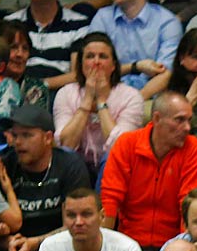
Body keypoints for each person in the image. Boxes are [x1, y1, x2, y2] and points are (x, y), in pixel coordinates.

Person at [100, 91, 197, 251]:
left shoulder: (193, 148)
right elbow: (110, 200)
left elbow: (188, 206)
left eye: (189, 120)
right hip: (127, 244)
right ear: (157, 119)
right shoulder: (126, 144)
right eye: (179, 120)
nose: (187, 127)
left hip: (172, 245)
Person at [0, 102, 90, 251]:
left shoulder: (70, 167)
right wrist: (7, 241)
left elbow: (76, 225)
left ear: (47, 138)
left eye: (27, 135)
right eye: (15, 135)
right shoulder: (5, 165)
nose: (18, 142)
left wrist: (34, 243)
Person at [54, 33, 144, 177]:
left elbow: (121, 148)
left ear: (114, 65)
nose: (96, 62)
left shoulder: (131, 96)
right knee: (66, 155)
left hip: (113, 170)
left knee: (112, 157)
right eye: (90, 56)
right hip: (76, 168)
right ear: (81, 65)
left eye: (103, 56)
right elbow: (65, 145)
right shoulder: (65, 94)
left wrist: (101, 102)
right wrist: (87, 101)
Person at [91, 0, 182, 97]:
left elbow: (165, 74)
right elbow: (94, 70)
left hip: (150, 100)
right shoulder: (102, 18)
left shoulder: (167, 22)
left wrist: (134, 103)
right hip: (108, 96)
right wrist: (135, 67)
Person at [4, 0, 92, 93]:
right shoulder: (9, 23)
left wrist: (38, 86)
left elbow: (77, 75)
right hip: (15, 92)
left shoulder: (79, 24)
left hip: (60, 93)